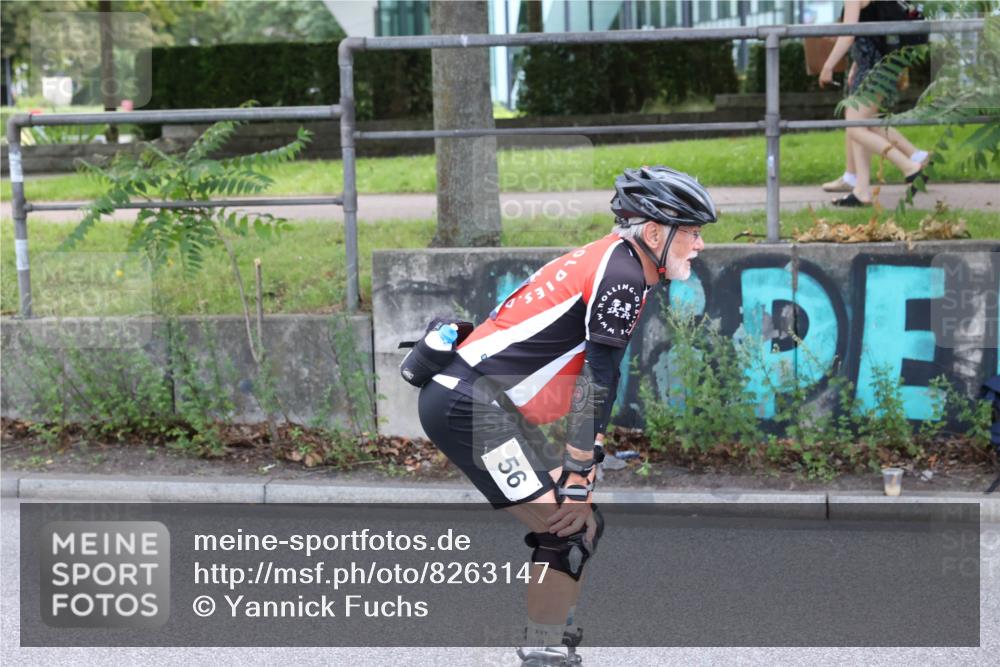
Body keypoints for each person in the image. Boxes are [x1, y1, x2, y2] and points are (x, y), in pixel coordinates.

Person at [416, 166, 717, 666]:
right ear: (655, 232)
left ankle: (550, 640)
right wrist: (579, 468)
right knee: (569, 524)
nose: (701, 245)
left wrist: (582, 467)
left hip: (481, 402)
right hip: (467, 405)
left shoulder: (617, 261)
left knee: (580, 525)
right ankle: (544, 653)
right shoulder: (621, 275)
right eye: (694, 231)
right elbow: (597, 380)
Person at [819, 0, 929, 206]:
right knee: (863, 125)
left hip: (872, 70)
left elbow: (849, 34)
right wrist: (855, 66)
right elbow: (870, 31)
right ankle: (861, 189)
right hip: (879, 67)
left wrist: (828, 65)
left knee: (855, 127)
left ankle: (910, 167)